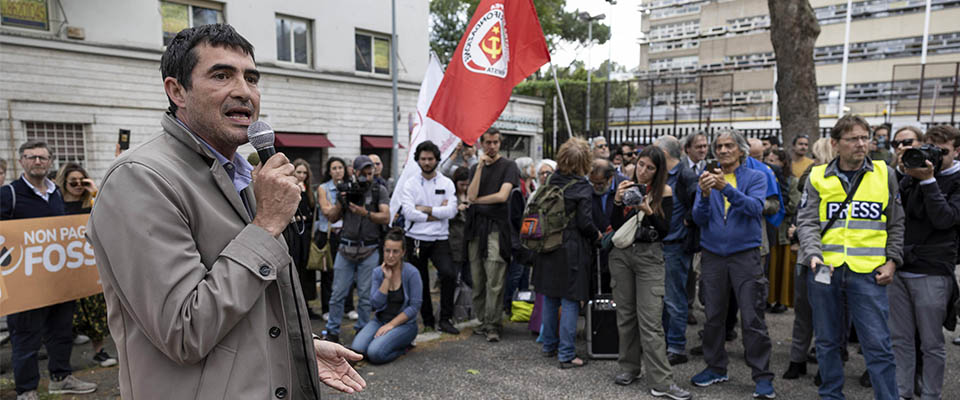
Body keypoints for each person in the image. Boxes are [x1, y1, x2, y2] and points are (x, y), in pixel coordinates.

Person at [87, 24, 365, 399]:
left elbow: (245, 304)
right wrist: (265, 225)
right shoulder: (139, 180)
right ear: (176, 91)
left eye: (251, 78)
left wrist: (296, 347)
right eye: (221, 75)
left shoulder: (243, 173)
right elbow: (184, 332)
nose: (244, 91)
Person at [797, 114, 904, 400]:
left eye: (864, 137)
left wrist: (892, 259)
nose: (861, 144)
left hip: (868, 273)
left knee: (878, 344)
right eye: (853, 139)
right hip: (824, 270)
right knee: (827, 342)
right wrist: (813, 255)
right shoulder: (817, 176)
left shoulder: (885, 174)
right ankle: (831, 395)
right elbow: (806, 222)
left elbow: (896, 222)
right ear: (835, 144)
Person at [2, 142, 98, 399]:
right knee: (25, 338)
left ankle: (60, 377)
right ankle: (27, 390)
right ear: (21, 160)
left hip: (58, 281)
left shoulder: (57, 193)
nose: (37, 161)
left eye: (42, 157)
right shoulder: (9, 193)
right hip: (24, 284)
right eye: (31, 157)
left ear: (50, 161)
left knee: (61, 332)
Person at [690, 130, 775, 399]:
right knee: (713, 316)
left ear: (741, 150)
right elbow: (698, 218)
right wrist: (704, 196)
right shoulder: (706, 178)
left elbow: (754, 208)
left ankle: (762, 376)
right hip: (713, 255)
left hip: (745, 255)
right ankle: (716, 367)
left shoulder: (756, 177)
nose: (724, 150)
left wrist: (725, 188)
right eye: (719, 146)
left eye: (729, 146)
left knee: (752, 318)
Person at [608, 146, 692, 400]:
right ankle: (629, 367)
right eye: (641, 164)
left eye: (650, 167)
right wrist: (617, 201)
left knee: (651, 322)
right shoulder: (625, 186)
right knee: (625, 316)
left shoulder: (664, 191)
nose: (643, 171)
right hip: (621, 255)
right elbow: (613, 224)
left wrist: (648, 210)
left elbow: (665, 231)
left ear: (658, 171)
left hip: (649, 257)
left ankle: (662, 382)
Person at [889, 124, 960, 400]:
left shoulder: (953, 180)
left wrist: (929, 181)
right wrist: (904, 172)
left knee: (931, 343)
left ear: (957, 151)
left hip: (932, 271)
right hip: (900, 266)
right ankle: (901, 392)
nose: (935, 157)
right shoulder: (912, 174)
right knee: (901, 340)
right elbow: (895, 210)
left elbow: (944, 218)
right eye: (929, 149)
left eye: (942, 151)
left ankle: (931, 395)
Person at [531, 138, 599, 369]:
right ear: (585, 161)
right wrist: (597, 235)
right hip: (571, 248)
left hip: (548, 245)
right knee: (570, 300)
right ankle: (567, 354)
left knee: (550, 297)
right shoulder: (582, 187)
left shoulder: (550, 180)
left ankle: (549, 345)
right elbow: (585, 223)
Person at [53, 163, 118, 368]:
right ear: (64, 183)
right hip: (63, 268)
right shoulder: (55, 205)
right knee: (67, 317)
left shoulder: (91, 203)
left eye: (82, 181)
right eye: (73, 182)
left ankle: (99, 351)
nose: (78, 185)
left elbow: (111, 214)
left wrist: (95, 191)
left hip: (89, 266)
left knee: (96, 311)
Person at [783, 137, 836, 380]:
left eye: (816, 156)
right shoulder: (811, 179)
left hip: (826, 260)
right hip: (807, 257)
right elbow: (802, 214)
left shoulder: (834, 183)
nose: (811, 161)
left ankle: (824, 366)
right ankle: (798, 358)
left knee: (824, 315)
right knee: (804, 313)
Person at [324, 155, 391, 344]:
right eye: (364, 174)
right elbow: (333, 217)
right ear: (355, 172)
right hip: (346, 247)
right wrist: (341, 201)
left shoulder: (379, 190)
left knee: (365, 296)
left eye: (370, 174)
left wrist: (366, 213)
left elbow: (386, 217)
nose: (367, 177)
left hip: (369, 248)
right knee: (337, 293)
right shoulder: (346, 189)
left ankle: (362, 331)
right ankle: (332, 331)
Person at [398, 141, 460, 335]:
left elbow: (452, 210)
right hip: (415, 237)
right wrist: (435, 213)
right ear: (418, 160)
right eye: (423, 159)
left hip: (440, 238)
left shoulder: (446, 183)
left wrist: (424, 209)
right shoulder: (410, 184)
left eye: (430, 159)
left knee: (449, 274)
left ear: (437, 159)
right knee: (420, 280)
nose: (426, 162)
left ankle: (445, 318)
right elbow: (408, 212)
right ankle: (427, 320)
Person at [466, 128, 520, 342]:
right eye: (488, 142)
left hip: (497, 229)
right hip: (476, 229)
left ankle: (493, 324)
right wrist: (479, 167)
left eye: (496, 142)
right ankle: (481, 321)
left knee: (495, 280)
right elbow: (470, 194)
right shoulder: (475, 168)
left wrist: (477, 201)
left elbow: (502, 196)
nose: (492, 146)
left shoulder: (509, 166)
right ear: (482, 144)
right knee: (478, 279)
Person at [652, 135, 699, 367]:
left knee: (674, 298)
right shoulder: (665, 175)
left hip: (676, 246)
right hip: (662, 244)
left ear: (665, 154)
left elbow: (698, 204)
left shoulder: (685, 175)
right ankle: (666, 343)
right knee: (663, 299)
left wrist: (688, 221)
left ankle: (677, 347)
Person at [350, 228, 422, 364]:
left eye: (395, 251)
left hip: (405, 325)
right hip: (380, 321)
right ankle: (386, 341)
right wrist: (387, 280)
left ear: (403, 252)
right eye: (387, 251)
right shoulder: (378, 272)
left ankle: (404, 346)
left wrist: (391, 325)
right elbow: (375, 304)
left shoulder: (412, 273)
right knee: (357, 350)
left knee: (374, 354)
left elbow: (414, 307)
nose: (390, 255)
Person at [764, 150, 798, 314]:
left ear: (783, 163)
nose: (770, 164)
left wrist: (779, 209)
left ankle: (782, 301)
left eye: (774, 160)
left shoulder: (791, 181)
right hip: (772, 231)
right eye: (768, 160)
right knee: (770, 268)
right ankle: (768, 299)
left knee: (783, 270)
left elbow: (793, 204)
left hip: (784, 230)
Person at [588, 158, 628, 294]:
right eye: (593, 183)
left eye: (600, 183)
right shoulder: (588, 189)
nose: (596, 187)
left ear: (610, 178)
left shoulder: (624, 186)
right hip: (595, 245)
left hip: (618, 244)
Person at [316, 157, 348, 319]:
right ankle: (326, 309)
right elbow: (327, 211)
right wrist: (342, 202)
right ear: (329, 171)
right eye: (334, 168)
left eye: (340, 168)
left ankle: (348, 308)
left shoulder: (349, 186)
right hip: (328, 234)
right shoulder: (324, 188)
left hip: (346, 233)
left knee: (348, 271)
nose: (338, 171)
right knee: (328, 272)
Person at [291, 159, 320, 318]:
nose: (301, 175)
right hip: (295, 233)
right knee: (296, 267)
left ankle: (307, 305)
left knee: (307, 270)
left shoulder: (310, 190)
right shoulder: (290, 188)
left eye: (304, 173)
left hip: (307, 234)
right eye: (299, 172)